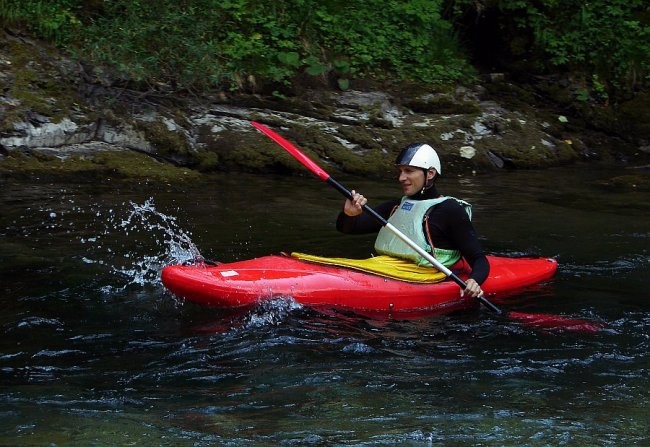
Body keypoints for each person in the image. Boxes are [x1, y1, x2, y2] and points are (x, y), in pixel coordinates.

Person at [336, 142, 489, 298]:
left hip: (425, 280)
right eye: (401, 171)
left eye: (409, 171)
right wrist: (349, 214)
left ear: (430, 173)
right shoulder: (397, 206)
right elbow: (348, 228)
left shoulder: (450, 210)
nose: (401, 177)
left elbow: (479, 260)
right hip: (389, 269)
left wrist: (474, 281)